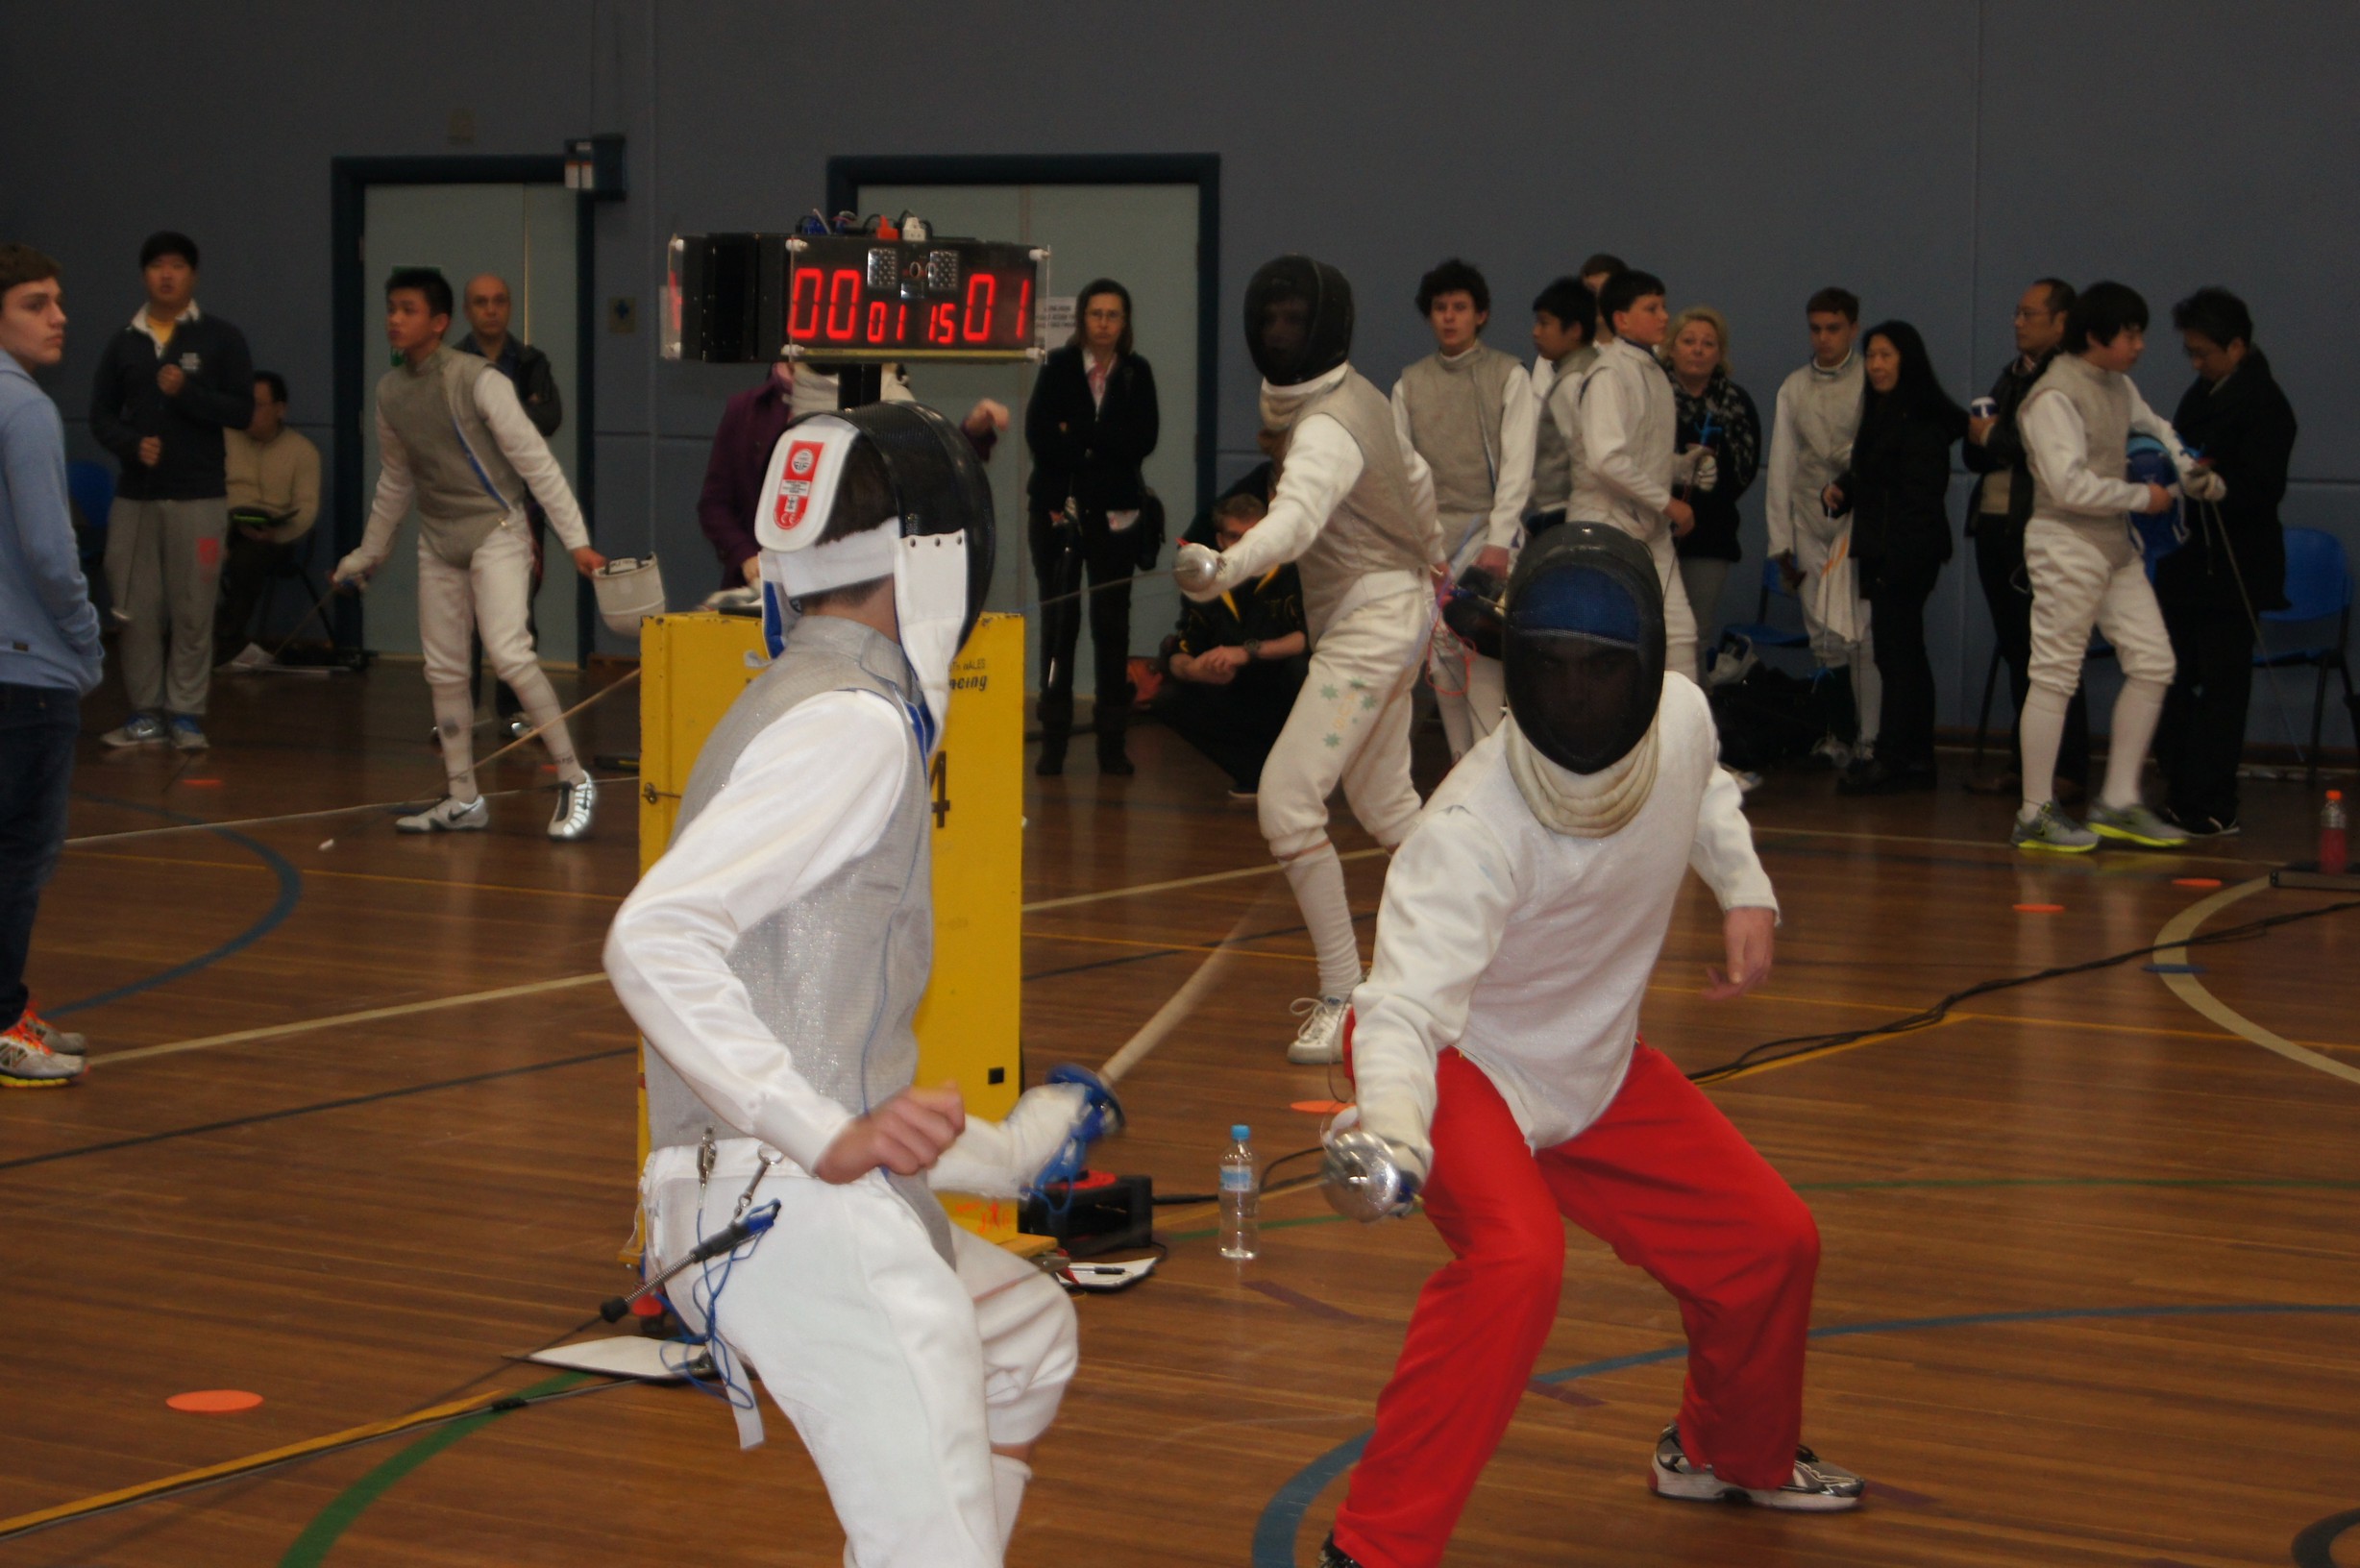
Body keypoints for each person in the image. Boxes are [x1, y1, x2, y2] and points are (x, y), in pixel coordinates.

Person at [605, 402, 1101, 1568]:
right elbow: (653, 939)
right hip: (784, 1211)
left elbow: (822, 1036)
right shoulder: (851, 727)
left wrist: (1004, 1152)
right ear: (937, 561)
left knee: (1026, 1335)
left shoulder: (796, 698)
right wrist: (824, 1134)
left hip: (763, 1194)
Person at [1314, 525, 1859, 1568]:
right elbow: (1400, 1010)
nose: (1573, 694)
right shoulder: (1472, 825)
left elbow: (1702, 783)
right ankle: (1373, 1550)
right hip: (1462, 1063)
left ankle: (1725, 1452)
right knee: (1516, 1264)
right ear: (1517, 666)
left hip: (1589, 1063)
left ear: (1644, 668)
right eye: (1551, 666)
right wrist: (1394, 1129)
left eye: (1599, 669)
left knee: (1769, 1243)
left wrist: (1742, 887)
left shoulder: (1682, 717)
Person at [1173, 255, 1440, 1065]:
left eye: (1296, 319)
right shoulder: (1362, 398)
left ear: (1326, 327)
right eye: (1271, 319)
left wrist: (1224, 566)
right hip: (1390, 612)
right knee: (1389, 805)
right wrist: (1431, 567)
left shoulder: (1326, 427)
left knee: (1287, 803)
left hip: (1372, 626)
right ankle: (1483, 955)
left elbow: (1293, 522)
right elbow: (1417, 480)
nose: (1281, 333)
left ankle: (1343, 994)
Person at [332, 268, 606, 840]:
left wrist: (576, 541)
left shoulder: (478, 380)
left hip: (497, 527)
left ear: (438, 322)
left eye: (408, 310)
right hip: (438, 538)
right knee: (444, 670)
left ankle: (574, 777)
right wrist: (369, 553)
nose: (394, 319)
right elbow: (396, 479)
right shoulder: (390, 392)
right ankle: (463, 798)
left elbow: (536, 463)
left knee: (509, 654)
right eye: (391, 308)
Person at [2008, 281, 2222, 853]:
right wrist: (2142, 497)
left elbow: (2155, 427)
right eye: (2130, 334)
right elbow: (2067, 485)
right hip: (2063, 543)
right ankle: (2034, 812)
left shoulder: (2118, 384)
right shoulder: (2052, 395)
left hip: (2113, 547)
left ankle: (2120, 800)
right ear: (2096, 336)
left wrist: (2189, 469)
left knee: (2153, 662)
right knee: (2055, 674)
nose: (2140, 345)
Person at [89, 232, 254, 752]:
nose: (166, 274)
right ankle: (145, 711)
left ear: (193, 275)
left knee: (193, 608)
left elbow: (242, 411)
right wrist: (131, 445)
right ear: (144, 275)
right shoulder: (124, 341)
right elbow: (100, 415)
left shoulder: (221, 338)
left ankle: (185, 712)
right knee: (134, 608)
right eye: (157, 265)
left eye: (177, 266)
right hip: (135, 497)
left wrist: (188, 393)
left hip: (200, 496)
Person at [0, 244, 100, 1086]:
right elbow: (49, 550)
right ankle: (2, 1022)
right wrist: (86, 637)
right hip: (25, 675)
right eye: (36, 303)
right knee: (19, 858)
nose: (58, 316)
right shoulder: (26, 409)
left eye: (58, 300)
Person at [2155, 287, 2298, 838]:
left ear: (2236, 346)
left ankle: (2215, 803)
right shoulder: (2200, 394)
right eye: (2190, 352)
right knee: (2170, 679)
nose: (2196, 363)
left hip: (2236, 566)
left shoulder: (2266, 403)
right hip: (2188, 563)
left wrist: (2219, 485)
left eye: (2204, 353)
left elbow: (2264, 486)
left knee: (2222, 690)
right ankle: (2180, 791)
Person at [698, 357, 1006, 592]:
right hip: (773, 588)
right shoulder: (747, 412)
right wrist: (746, 556)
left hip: (862, 590)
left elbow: (929, 480)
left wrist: (972, 435)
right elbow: (715, 505)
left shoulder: (889, 406)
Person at [1392, 258, 1534, 758]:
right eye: (1440, 308)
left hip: (1489, 531)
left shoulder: (1509, 375)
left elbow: (1518, 465)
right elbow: (1402, 474)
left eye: (1459, 307)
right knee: (1442, 658)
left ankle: (1489, 770)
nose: (1449, 317)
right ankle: (1461, 767)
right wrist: (1425, 549)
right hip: (1433, 537)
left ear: (1481, 314)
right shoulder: (1409, 383)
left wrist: (1498, 543)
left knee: (1482, 653)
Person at [1025, 278, 1160, 776]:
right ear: (1083, 318)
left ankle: (1112, 744)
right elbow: (1040, 434)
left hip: (1116, 516)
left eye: (1113, 315)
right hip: (1057, 513)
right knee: (1059, 628)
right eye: (1096, 314)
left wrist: (1079, 434)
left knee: (1112, 626)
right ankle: (1054, 744)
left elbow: (1142, 440)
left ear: (1125, 323)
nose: (1103, 323)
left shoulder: (1137, 373)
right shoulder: (1058, 366)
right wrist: (1103, 442)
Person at [1825, 322, 1967, 794]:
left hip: (1904, 553)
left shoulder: (1920, 420)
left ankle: (1893, 756)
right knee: (1901, 653)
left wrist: (1896, 563)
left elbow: (1918, 499)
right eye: (1871, 356)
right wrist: (1844, 489)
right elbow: (1876, 474)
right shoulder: (1885, 412)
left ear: (1907, 359)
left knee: (1897, 655)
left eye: (1886, 355)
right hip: (1888, 549)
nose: (1876, 365)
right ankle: (1914, 757)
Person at [1964, 279, 2090, 802]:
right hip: (1995, 523)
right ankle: (2026, 763)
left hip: (2040, 524)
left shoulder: (2069, 378)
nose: (2018, 322)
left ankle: (2068, 767)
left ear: (2062, 322)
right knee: (2017, 648)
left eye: (2030, 314)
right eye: (2016, 313)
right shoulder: (2011, 373)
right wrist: (1986, 437)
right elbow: (1978, 448)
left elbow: (2034, 445)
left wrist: (1993, 436)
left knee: (2051, 651)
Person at [1569, 269, 1708, 679]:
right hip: (1606, 526)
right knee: (1608, 642)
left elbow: (1642, 455)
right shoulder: (1608, 374)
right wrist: (1670, 504)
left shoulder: (1654, 372)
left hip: (1650, 529)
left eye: (1663, 306)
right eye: (1652, 308)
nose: (1664, 316)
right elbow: (1606, 460)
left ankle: (1678, 722)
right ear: (1622, 319)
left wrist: (1684, 465)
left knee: (1679, 636)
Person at [1766, 286, 1878, 769]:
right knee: (1824, 638)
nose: (1824, 338)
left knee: (1861, 635)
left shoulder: (1871, 380)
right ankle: (1838, 735)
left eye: (1834, 329)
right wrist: (1781, 543)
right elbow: (1781, 467)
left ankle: (1870, 740)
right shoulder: (1794, 388)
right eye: (1816, 329)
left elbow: (1876, 453)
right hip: (1809, 522)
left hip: (1858, 522)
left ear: (1853, 328)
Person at [456, 273, 563, 735]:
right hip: (465, 501)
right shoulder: (453, 362)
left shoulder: (532, 361)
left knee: (517, 607)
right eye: (481, 302)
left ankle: (512, 708)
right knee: (463, 611)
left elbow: (550, 417)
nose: (491, 309)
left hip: (522, 505)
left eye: (499, 301)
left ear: (509, 307)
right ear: (467, 311)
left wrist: (490, 419)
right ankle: (461, 709)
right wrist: (519, 414)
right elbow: (451, 424)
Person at [1154, 492, 1307, 797]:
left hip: (1282, 682)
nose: (1245, 545)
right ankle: (1254, 774)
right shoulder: (1207, 585)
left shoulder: (1294, 573)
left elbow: (1307, 637)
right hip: (1235, 686)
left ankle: (1302, 775)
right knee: (1169, 698)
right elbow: (1182, 648)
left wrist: (1246, 652)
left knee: (1302, 672)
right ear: (1220, 541)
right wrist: (1194, 669)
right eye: (1235, 537)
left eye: (1254, 536)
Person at [1663, 305, 1761, 678]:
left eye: (1708, 343)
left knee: (1695, 634)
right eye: (1689, 341)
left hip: (1711, 535)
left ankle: (1696, 708)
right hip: (1655, 527)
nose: (1698, 350)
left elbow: (1746, 470)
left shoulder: (1736, 402)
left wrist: (1715, 479)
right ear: (1671, 348)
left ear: (1720, 353)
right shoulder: (1652, 393)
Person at [212, 372, 321, 670]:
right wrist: (218, 536)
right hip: (224, 525)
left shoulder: (302, 451)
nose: (249, 412)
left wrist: (276, 534)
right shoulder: (223, 439)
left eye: (258, 405)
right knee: (196, 553)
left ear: (280, 409)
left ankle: (222, 641)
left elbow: (307, 508)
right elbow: (206, 492)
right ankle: (209, 641)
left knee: (247, 559)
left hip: (273, 536)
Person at [1526, 277, 1598, 537]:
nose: (1536, 332)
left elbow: (1585, 455)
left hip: (1563, 512)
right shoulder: (1597, 367)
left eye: (1545, 323)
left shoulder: (1571, 381)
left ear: (1575, 330)